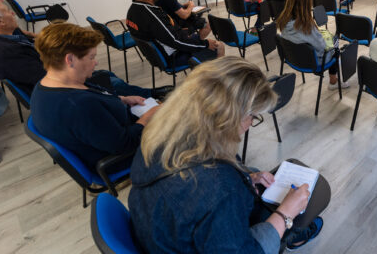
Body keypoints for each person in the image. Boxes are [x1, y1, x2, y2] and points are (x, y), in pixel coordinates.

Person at [129, 56, 324, 253]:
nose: (250, 125)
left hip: (161, 232)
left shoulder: (157, 135)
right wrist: (285, 214)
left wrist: (248, 177)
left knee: (254, 171)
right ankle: (294, 234)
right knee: (293, 213)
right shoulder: (220, 187)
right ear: (228, 118)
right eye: (252, 116)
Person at [30, 23, 161, 170]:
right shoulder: (79, 105)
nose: (96, 62)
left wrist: (123, 99)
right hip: (123, 157)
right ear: (70, 60)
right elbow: (124, 145)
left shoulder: (46, 86)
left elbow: (94, 106)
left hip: (113, 133)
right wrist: (149, 116)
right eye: (91, 57)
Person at [0, 0, 171, 99]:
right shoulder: (5, 52)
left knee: (107, 75)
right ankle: (150, 95)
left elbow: (26, 39)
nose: (13, 14)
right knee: (110, 80)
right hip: (60, 90)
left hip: (60, 76)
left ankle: (149, 94)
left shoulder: (9, 37)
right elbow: (43, 76)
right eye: (8, 11)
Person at [126, 0, 224, 67]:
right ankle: (217, 80)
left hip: (157, 55)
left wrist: (179, 31)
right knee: (219, 46)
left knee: (193, 35)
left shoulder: (132, 11)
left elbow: (165, 33)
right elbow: (176, 42)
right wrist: (205, 44)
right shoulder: (152, 15)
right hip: (173, 56)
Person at [276, 0, 349, 89]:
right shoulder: (307, 25)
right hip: (313, 62)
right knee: (335, 46)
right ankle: (333, 81)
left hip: (293, 58)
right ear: (307, 1)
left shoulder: (283, 19)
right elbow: (323, 47)